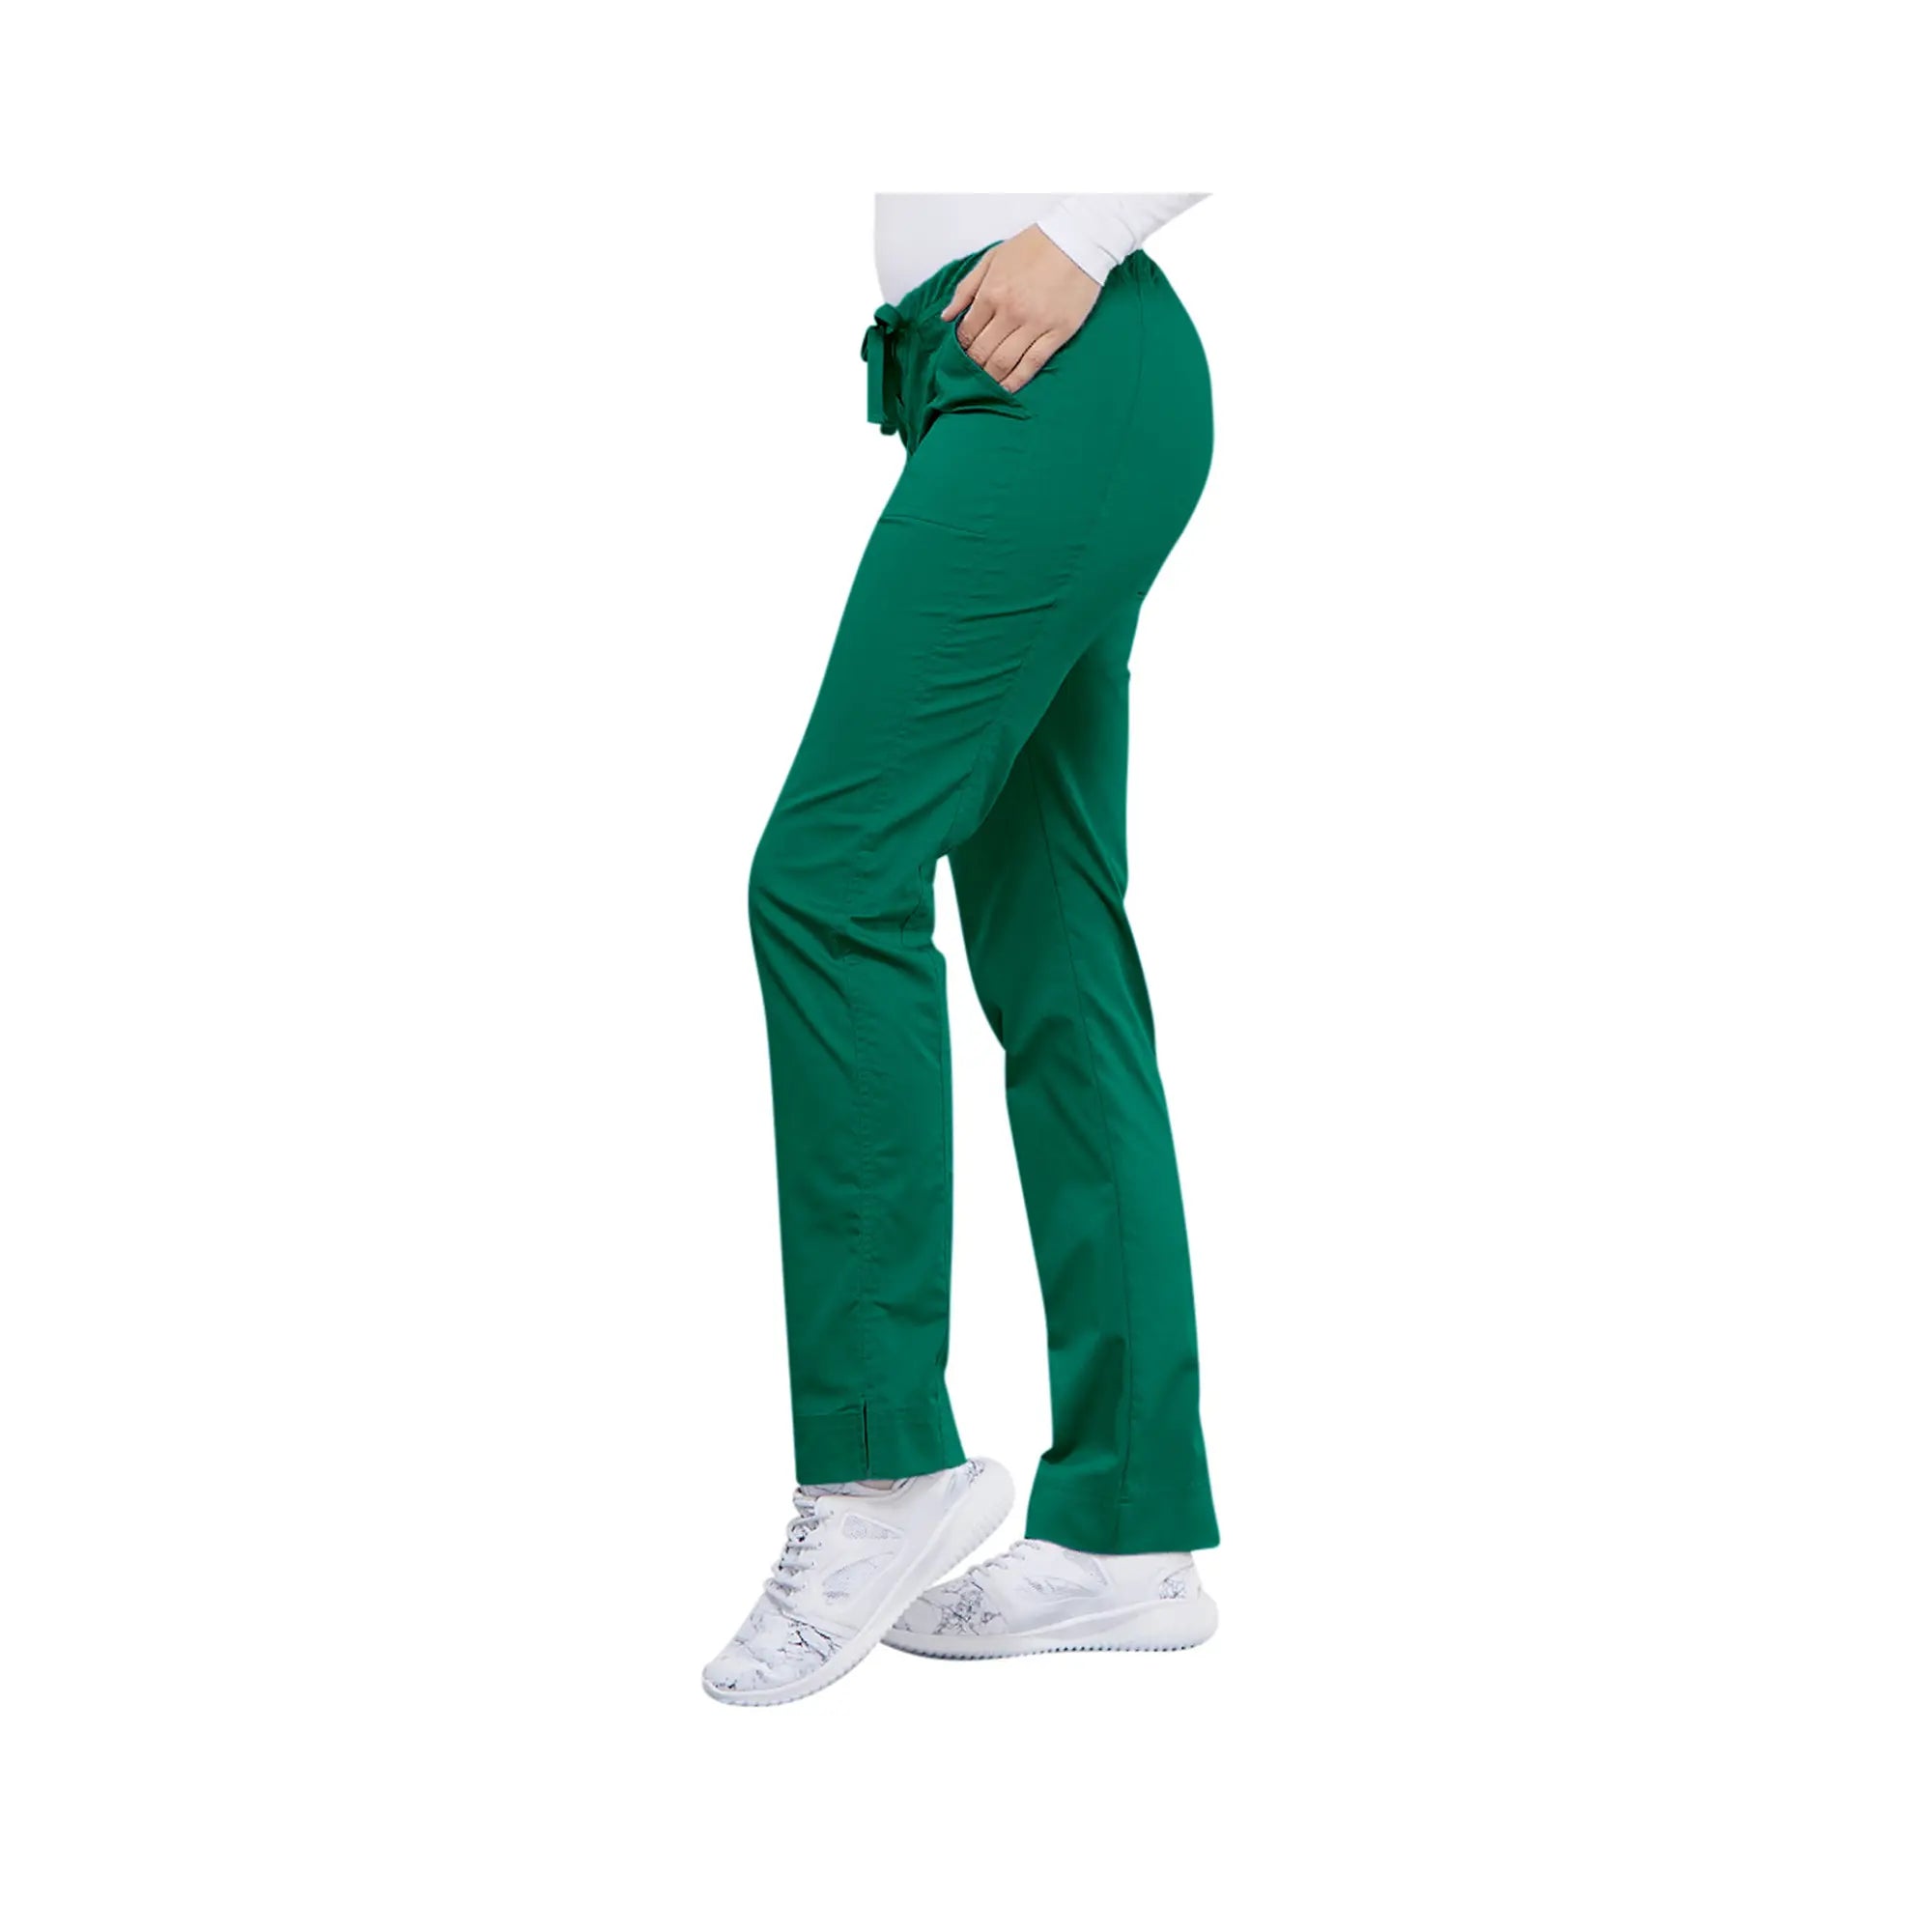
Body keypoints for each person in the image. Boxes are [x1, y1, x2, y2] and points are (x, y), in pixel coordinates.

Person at [704, 194, 1220, 1706]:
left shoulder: (1075, 264)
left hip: (1057, 355)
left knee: (828, 879)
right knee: (1056, 949)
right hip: (1009, 381)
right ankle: (1128, 1531)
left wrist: (1090, 225)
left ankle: (880, 1466)